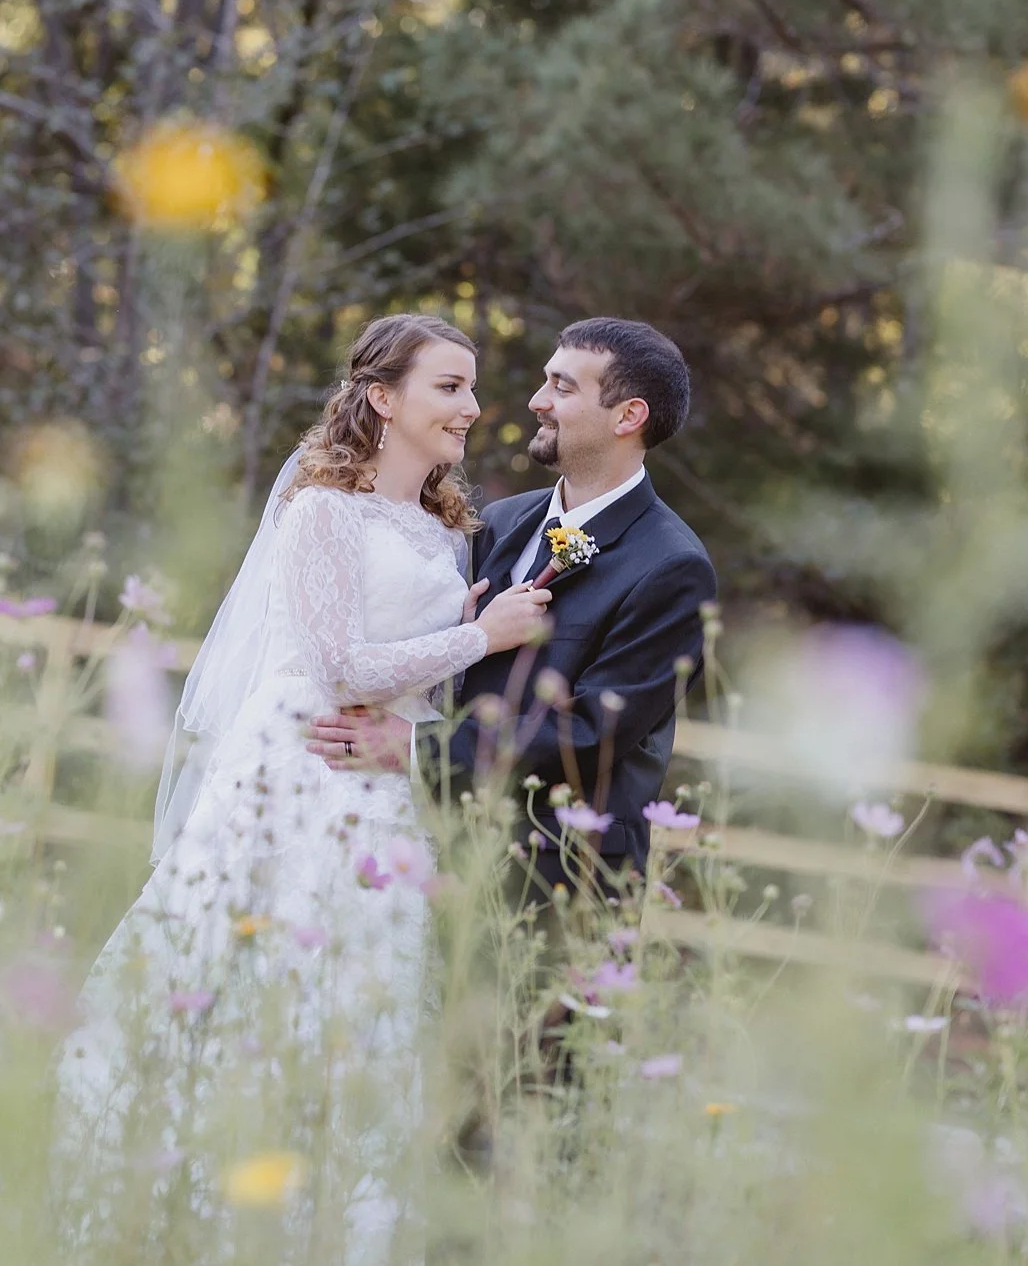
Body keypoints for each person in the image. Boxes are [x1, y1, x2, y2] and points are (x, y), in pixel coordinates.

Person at [52, 314, 547, 1264]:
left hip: (381, 788)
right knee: (258, 989)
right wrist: (486, 636)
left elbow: (414, 672)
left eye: (472, 388)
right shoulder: (322, 510)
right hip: (297, 773)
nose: (472, 407)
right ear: (382, 398)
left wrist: (469, 634)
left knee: (364, 1013)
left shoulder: (449, 529)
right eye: (449, 386)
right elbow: (340, 663)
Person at [305, 316, 716, 896]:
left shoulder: (671, 567)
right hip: (430, 853)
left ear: (629, 416)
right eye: (547, 381)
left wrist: (413, 747)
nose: (537, 401)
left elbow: (591, 734)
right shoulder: (497, 523)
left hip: (554, 879)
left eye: (563, 388)